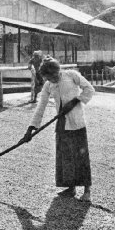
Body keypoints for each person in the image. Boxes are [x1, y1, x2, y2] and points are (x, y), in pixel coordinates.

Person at [20, 57, 95, 202]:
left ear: (58, 71)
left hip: (77, 122)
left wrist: (75, 101)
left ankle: (87, 190)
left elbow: (89, 89)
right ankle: (70, 187)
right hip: (61, 124)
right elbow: (40, 107)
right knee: (65, 157)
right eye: (49, 78)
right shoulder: (48, 86)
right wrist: (30, 129)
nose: (53, 79)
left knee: (81, 157)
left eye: (54, 76)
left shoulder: (71, 75)